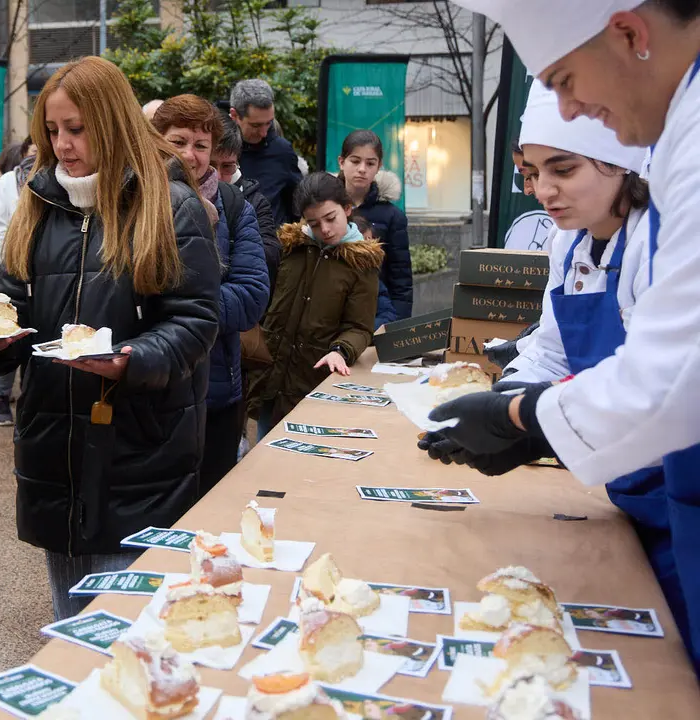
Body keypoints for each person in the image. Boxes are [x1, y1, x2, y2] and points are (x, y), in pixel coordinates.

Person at [435, 0, 700, 671]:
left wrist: (523, 419)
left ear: (630, 34)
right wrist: (517, 413)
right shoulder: (581, 237)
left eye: (565, 81)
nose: (573, 107)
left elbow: (670, 378)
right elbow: (555, 350)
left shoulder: (684, 158)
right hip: (644, 479)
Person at [0, 56, 220, 621]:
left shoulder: (171, 204)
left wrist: (131, 359)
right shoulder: (39, 202)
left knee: (129, 635)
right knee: (70, 626)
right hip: (54, 449)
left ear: (111, 122)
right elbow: (13, 300)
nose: (62, 144)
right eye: (52, 130)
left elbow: (196, 319)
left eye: (76, 128)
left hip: (140, 449)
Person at [152, 95, 270, 494]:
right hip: (148, 385)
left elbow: (252, 296)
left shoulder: (234, 207)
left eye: (201, 145)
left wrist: (184, 308)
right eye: (178, 142)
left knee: (211, 505)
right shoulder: (132, 202)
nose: (190, 155)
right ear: (156, 141)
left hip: (215, 391)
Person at [244, 172, 384, 438]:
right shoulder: (291, 247)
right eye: (314, 223)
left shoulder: (361, 263)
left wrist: (341, 351)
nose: (325, 230)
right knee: (264, 445)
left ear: (347, 209)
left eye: (331, 218)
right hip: (269, 371)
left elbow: (359, 327)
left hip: (314, 376)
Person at [0, 138, 38, 426]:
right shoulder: (8, 182)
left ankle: (31, 398)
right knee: (8, 335)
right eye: (34, 150)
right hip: (13, 273)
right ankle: (0, 396)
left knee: (37, 340)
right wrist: (19, 257)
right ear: (23, 153)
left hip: (48, 280)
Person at [337, 130, 412, 328]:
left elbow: (401, 280)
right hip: (330, 314)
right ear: (341, 162)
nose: (362, 169)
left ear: (379, 166)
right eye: (355, 161)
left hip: (376, 316)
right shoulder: (325, 206)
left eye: (370, 163)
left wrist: (397, 329)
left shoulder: (392, 216)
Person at [213, 116, 280, 295]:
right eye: (211, 165)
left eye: (227, 167)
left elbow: (269, 257)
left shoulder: (255, 202)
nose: (217, 176)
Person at [230, 79, 303, 228]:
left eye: (269, 123)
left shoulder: (282, 151)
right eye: (256, 125)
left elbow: (297, 203)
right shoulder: (217, 148)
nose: (263, 133)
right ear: (235, 115)